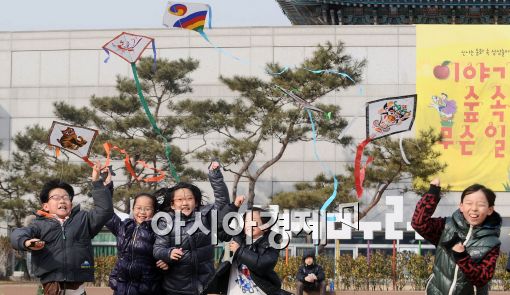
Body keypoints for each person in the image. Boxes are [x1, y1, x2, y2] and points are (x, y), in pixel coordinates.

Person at [10, 162, 114, 295]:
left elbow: (105, 210)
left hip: (78, 290)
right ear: (46, 206)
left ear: (71, 203)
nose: (62, 201)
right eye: (56, 198)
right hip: (49, 290)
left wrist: (97, 182)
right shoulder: (38, 224)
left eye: (66, 197)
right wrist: (26, 242)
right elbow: (17, 234)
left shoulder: (83, 220)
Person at [411, 178, 501, 295]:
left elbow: (481, 279)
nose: (474, 208)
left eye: (480, 205)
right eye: (469, 203)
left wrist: (462, 256)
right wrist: (432, 194)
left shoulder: (491, 242)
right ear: (461, 206)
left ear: (490, 210)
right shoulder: (446, 226)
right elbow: (419, 223)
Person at [153, 161, 230, 295]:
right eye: (180, 200)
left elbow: (222, 202)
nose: (185, 202)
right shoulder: (165, 222)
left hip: (205, 284)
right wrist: (168, 253)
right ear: (172, 204)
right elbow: (158, 248)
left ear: (196, 202)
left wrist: (215, 174)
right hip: (175, 287)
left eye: (189, 198)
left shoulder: (206, 216)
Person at [207, 195, 291, 295]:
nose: (249, 224)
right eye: (246, 221)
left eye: (254, 221)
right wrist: (234, 207)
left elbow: (262, 265)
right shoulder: (236, 237)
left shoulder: (272, 242)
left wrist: (239, 251)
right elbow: (219, 227)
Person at [106, 192, 169, 294]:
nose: (142, 212)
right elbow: (106, 213)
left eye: (147, 209)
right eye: (138, 208)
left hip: (147, 289)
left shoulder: (159, 230)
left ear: (154, 211)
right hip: (122, 288)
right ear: (133, 209)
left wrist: (167, 260)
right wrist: (106, 188)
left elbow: (169, 250)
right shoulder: (124, 227)